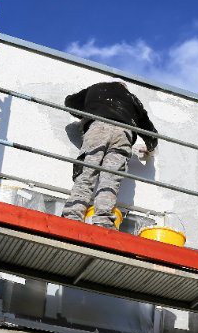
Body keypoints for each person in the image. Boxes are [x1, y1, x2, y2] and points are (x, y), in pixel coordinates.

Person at [61, 81, 158, 229]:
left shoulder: (96, 88)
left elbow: (70, 103)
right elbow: (150, 132)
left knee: (87, 174)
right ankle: (103, 221)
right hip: (123, 134)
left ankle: (72, 216)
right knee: (110, 179)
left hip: (97, 128)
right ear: (125, 89)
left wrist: (86, 112)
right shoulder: (133, 99)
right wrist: (150, 149)